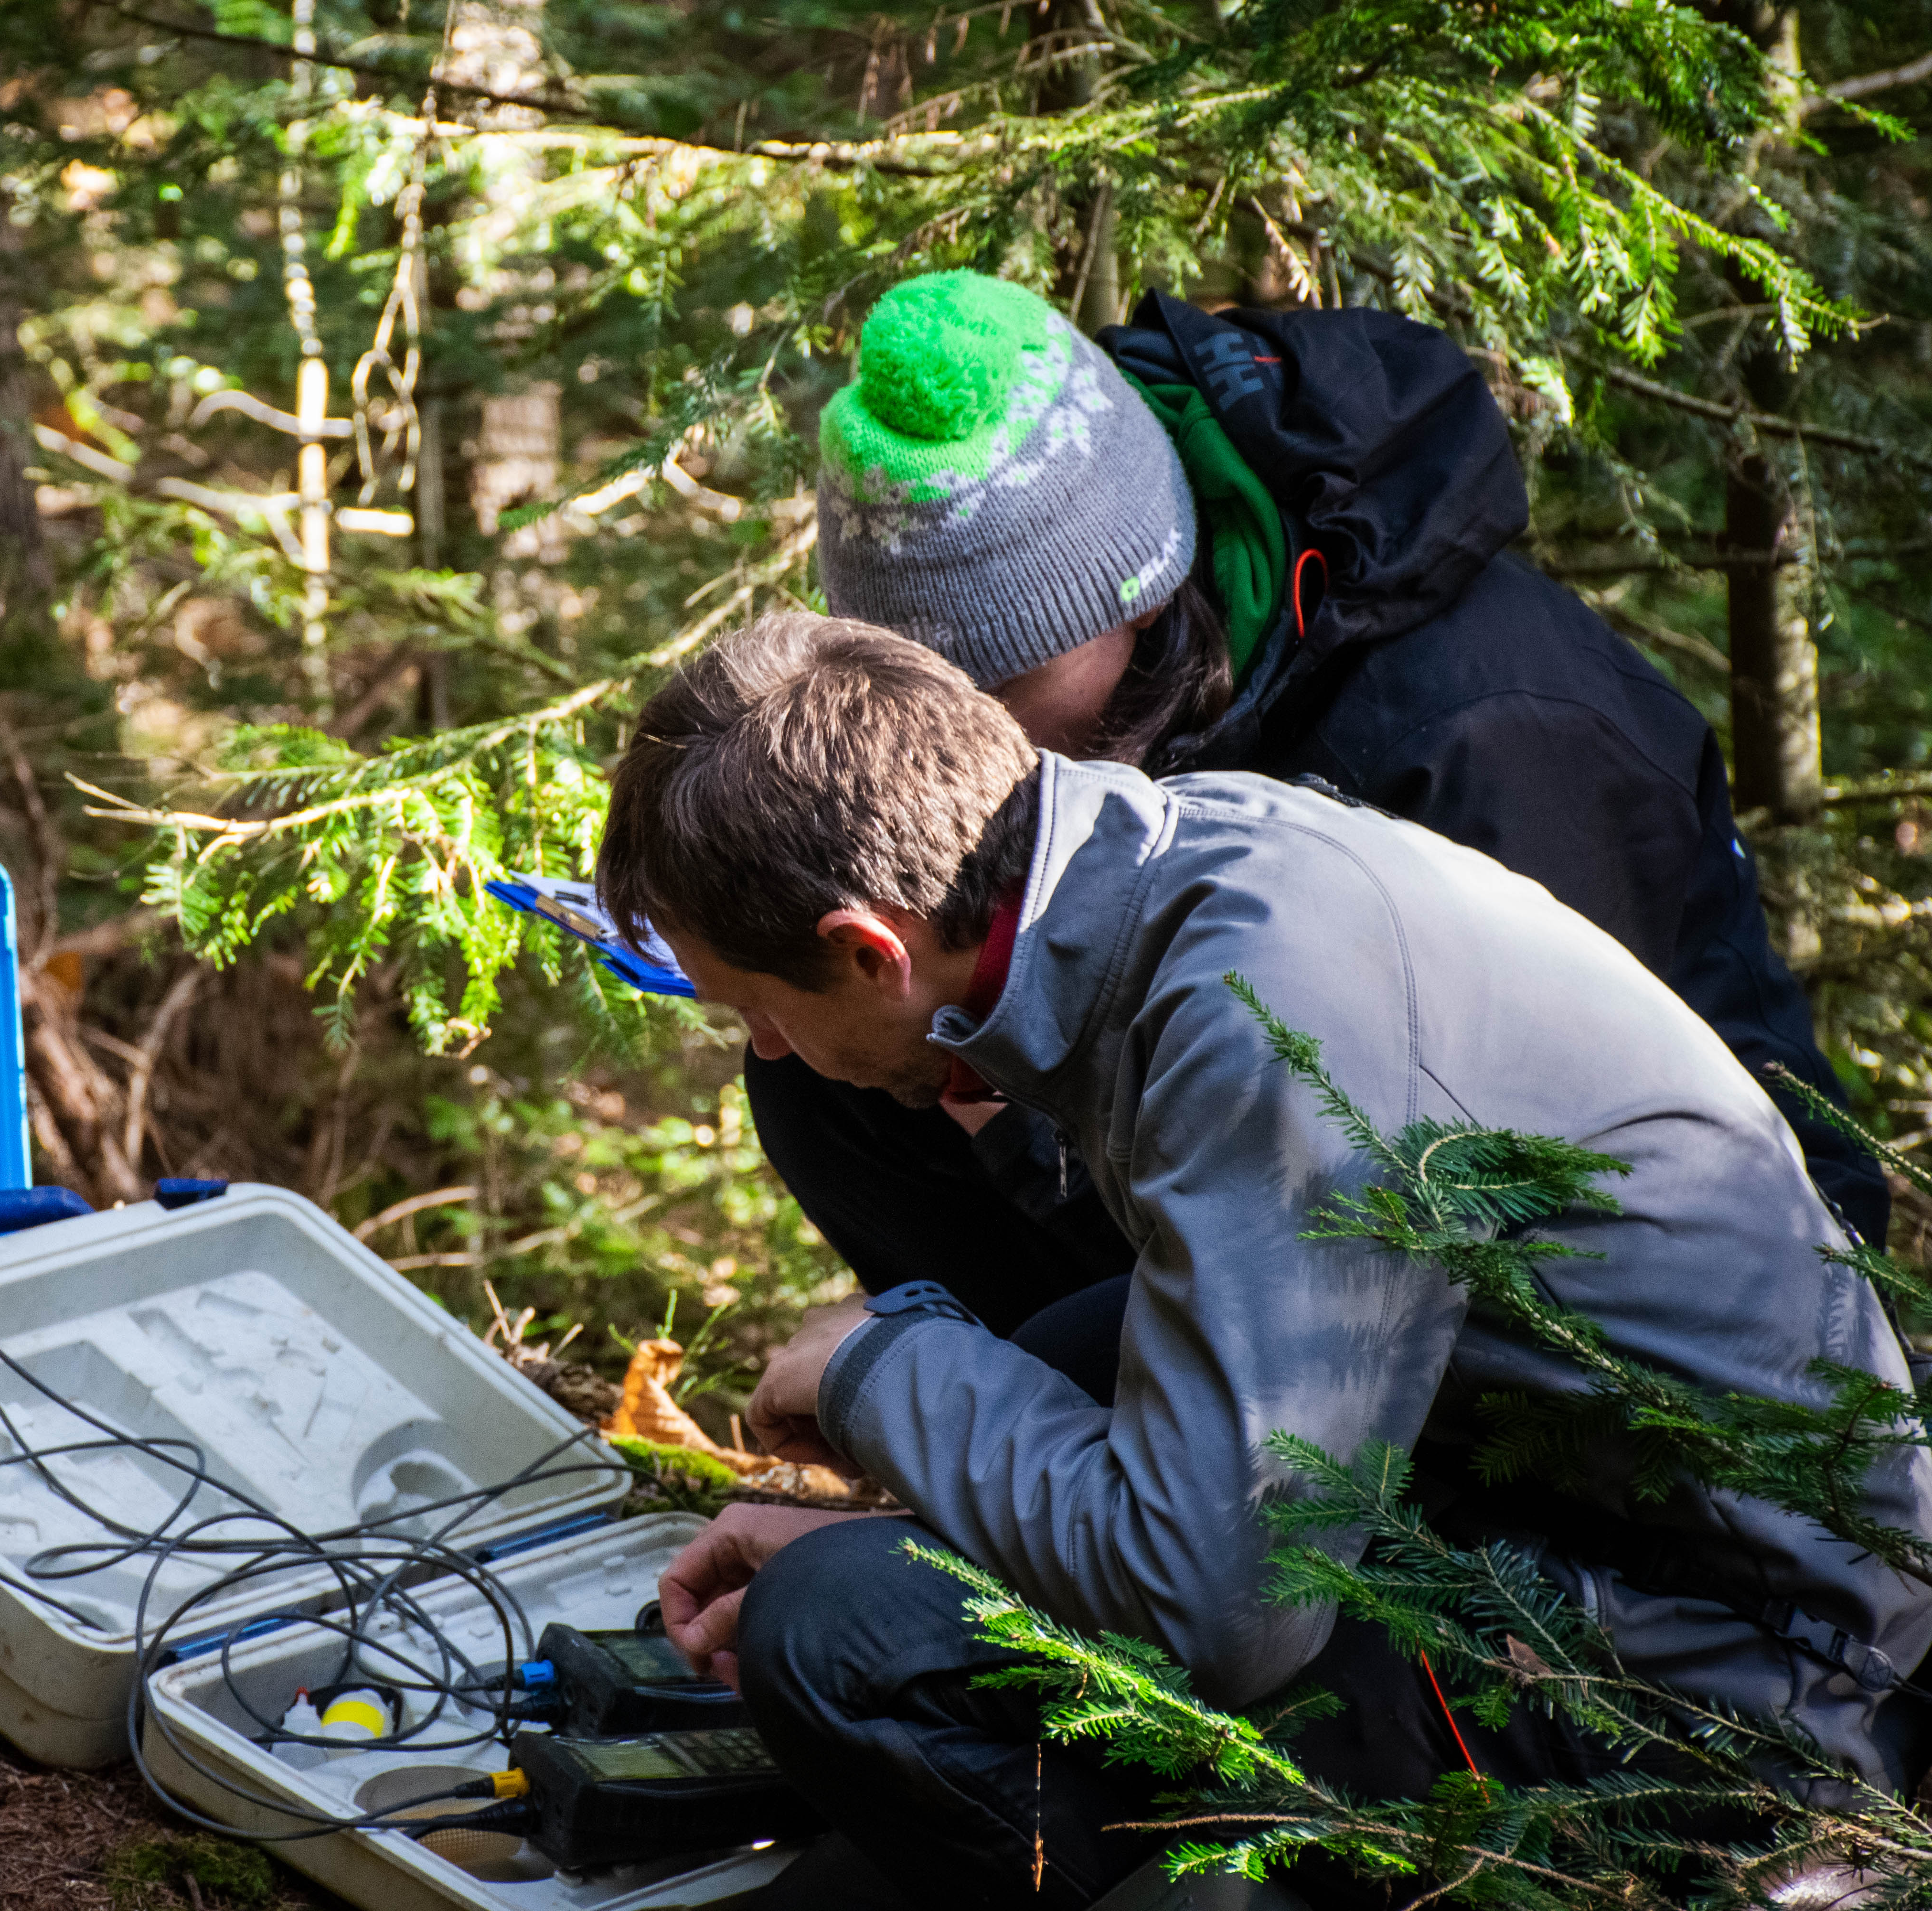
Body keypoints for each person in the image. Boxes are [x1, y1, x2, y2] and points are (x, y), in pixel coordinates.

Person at [594, 614, 1932, 1909]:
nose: (766, 1054)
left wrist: (879, 1372)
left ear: (864, 951)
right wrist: (923, 1506)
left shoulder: (1260, 1022)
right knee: (1067, 1361)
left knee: (840, 1635)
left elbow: (1218, 1613)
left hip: (1736, 1719)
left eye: (758, 1013)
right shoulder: (1185, 869)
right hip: (1577, 1537)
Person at [760, 271, 1886, 1356]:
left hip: (1627, 1306)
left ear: (1140, 593)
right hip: (1245, 1186)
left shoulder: (1480, 737)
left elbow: (1466, 1204)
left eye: (999, 688)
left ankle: (1073, 1471)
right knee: (819, 1060)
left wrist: (1017, 1126)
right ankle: (1035, 1470)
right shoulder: (1118, 701)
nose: (970, 749)